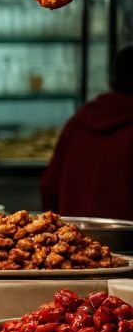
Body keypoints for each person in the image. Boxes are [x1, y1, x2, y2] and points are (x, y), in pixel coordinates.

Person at [40, 46, 133, 220]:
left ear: (112, 79)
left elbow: (49, 186)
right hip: (126, 241)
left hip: (73, 237)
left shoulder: (79, 121)